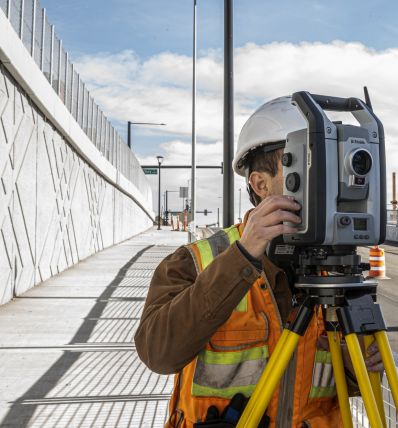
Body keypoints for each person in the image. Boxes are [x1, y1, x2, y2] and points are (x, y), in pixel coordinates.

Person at [135, 96, 383, 428]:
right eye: (308, 163)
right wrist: (242, 256)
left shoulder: (333, 276)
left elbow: (340, 385)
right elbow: (157, 352)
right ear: (260, 184)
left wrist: (363, 365)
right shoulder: (194, 262)